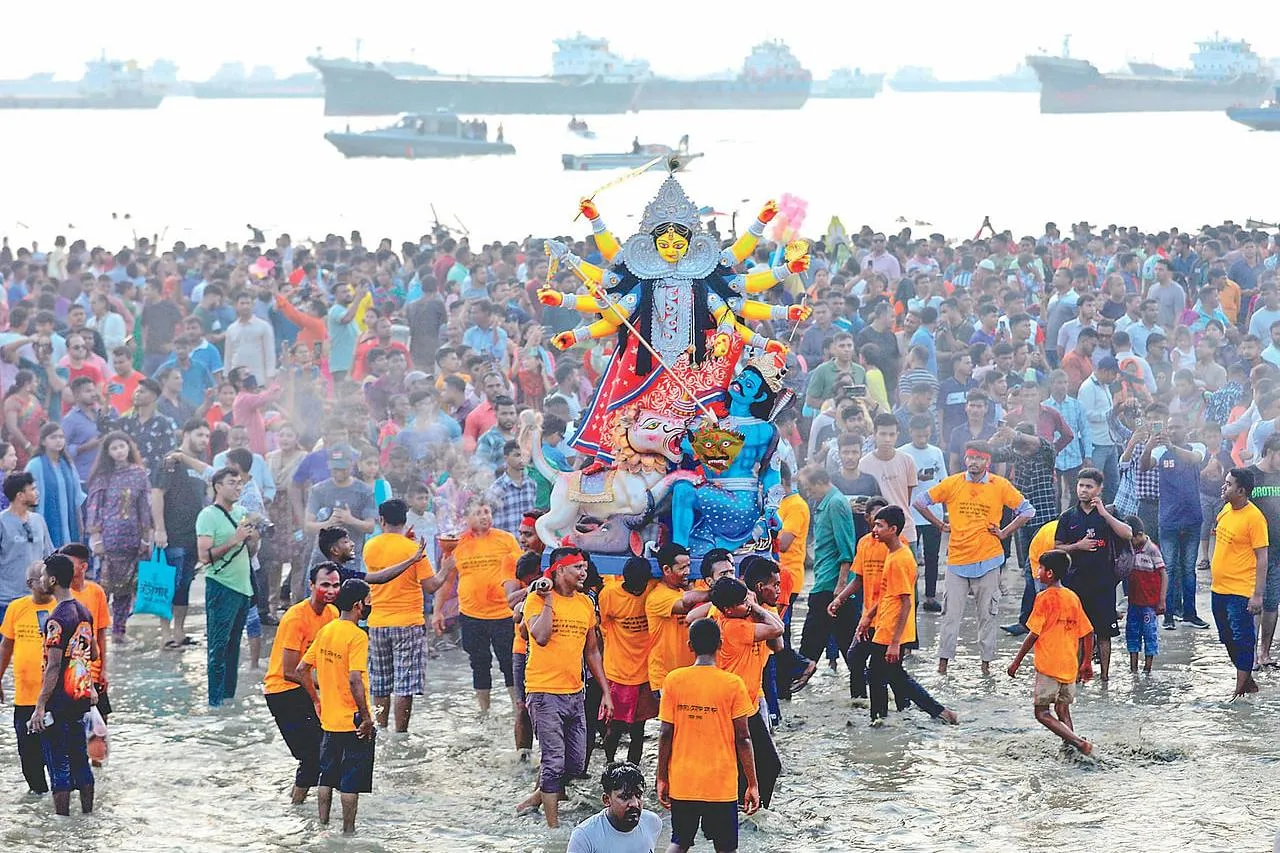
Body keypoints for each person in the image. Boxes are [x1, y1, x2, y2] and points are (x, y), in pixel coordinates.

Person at [913, 440, 1034, 674]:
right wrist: (939, 524)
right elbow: (920, 501)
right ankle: (942, 666)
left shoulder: (1000, 485)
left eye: (979, 458)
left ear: (988, 462)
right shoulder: (953, 483)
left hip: (989, 559)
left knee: (987, 615)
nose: (973, 462)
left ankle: (986, 667)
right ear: (965, 459)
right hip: (957, 560)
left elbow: (1027, 510)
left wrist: (1004, 532)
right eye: (970, 458)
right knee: (950, 615)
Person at [521, 546, 614, 828]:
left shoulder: (586, 603)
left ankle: (537, 797)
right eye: (578, 568)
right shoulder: (535, 600)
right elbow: (540, 636)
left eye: (585, 567)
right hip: (544, 692)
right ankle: (553, 830)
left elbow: (592, 652)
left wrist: (606, 692)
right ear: (560, 570)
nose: (584, 572)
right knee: (553, 763)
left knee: (575, 764)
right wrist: (548, 600)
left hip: (576, 692)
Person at [657, 618, 759, 853]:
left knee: (679, 842)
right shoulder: (733, 684)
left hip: (684, 779)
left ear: (689, 645)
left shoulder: (674, 680)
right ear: (721, 644)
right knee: (725, 848)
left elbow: (665, 733)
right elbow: (743, 737)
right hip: (720, 783)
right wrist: (752, 783)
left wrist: (662, 776)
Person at [855, 506, 958, 725]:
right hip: (884, 624)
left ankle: (933, 712)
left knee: (884, 674)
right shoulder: (893, 555)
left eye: (880, 526)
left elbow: (906, 602)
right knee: (886, 675)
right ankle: (882, 718)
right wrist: (867, 617)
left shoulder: (901, 559)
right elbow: (884, 594)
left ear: (893, 529)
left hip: (892, 629)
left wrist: (894, 643)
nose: (875, 529)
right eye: (874, 525)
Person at [363, 498, 451, 733]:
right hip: (407, 624)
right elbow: (432, 585)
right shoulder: (413, 550)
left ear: (381, 520)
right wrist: (447, 566)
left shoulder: (370, 546)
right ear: (405, 520)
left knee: (380, 683)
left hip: (377, 624)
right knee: (405, 685)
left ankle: (380, 730)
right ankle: (400, 734)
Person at [296, 578, 376, 835]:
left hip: (329, 719)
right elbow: (355, 679)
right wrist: (365, 718)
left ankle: (322, 826)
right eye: (368, 601)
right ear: (357, 606)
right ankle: (348, 833)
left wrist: (317, 699)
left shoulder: (327, 630)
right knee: (351, 781)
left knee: (326, 775)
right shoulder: (357, 636)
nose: (370, 605)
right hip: (352, 719)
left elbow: (301, 669)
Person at [702, 574, 784, 808]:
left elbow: (778, 646)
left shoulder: (737, 617)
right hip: (737, 708)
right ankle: (752, 809)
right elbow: (777, 629)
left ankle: (744, 807)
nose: (746, 604)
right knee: (768, 764)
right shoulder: (734, 627)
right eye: (741, 603)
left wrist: (751, 607)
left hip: (747, 703)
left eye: (746, 599)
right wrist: (756, 606)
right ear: (727, 609)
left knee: (747, 766)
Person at [264, 562, 340, 805]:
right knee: (312, 757)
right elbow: (289, 671)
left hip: (311, 688)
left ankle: (312, 810)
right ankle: (295, 807)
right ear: (311, 585)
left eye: (336, 585)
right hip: (283, 691)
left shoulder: (333, 614)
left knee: (326, 752)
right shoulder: (295, 618)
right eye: (325, 585)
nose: (331, 590)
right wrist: (324, 686)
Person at [1005, 549, 1095, 755]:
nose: (1038, 571)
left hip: (1049, 665)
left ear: (1050, 573)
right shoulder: (1072, 597)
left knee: (1042, 712)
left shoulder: (1043, 598)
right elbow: (1088, 632)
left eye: (1041, 568)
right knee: (1063, 709)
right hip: (1069, 665)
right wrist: (1086, 662)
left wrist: (1016, 662)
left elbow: (1032, 634)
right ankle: (1072, 752)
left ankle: (1079, 743)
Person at [28, 554, 97, 815]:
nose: (42, 579)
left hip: (59, 699)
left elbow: (54, 667)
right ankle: (88, 816)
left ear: (53, 580)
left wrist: (40, 705)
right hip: (79, 696)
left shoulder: (56, 619)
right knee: (81, 760)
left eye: (45, 575)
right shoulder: (83, 611)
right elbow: (94, 654)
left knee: (59, 764)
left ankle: (62, 827)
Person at [1054, 468, 1133, 682]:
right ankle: (1078, 676)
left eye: (1089, 486)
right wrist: (1077, 546)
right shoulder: (1068, 516)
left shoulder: (1109, 514)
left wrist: (1105, 514)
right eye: (1081, 486)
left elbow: (1128, 533)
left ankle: (1105, 678)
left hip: (1104, 582)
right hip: (1076, 581)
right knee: (1078, 631)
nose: (1084, 490)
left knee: (1105, 632)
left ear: (1099, 489)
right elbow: (1057, 548)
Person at [447, 497, 523, 714]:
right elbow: (450, 579)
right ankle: (484, 711)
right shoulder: (458, 542)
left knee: (509, 661)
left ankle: (517, 709)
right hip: (471, 614)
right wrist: (438, 612)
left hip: (503, 613)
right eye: (478, 512)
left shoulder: (506, 540)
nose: (484, 516)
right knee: (479, 663)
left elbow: (519, 574)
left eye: (487, 511)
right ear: (467, 517)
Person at [197, 467, 261, 706]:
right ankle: (215, 703)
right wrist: (234, 539)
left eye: (240, 483)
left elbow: (250, 551)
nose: (238, 487)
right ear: (218, 486)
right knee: (218, 648)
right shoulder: (208, 515)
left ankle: (228, 700)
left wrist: (253, 538)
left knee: (234, 648)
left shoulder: (243, 512)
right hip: (221, 585)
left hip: (243, 587)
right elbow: (204, 556)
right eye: (232, 483)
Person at [84, 431, 153, 640]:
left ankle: (119, 631)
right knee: (102, 588)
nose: (119, 451)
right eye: (114, 448)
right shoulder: (102, 477)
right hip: (107, 539)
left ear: (129, 447)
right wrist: (95, 538)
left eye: (122, 446)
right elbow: (94, 508)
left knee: (126, 589)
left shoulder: (139, 474)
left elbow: (144, 507)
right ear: (108, 452)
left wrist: (145, 537)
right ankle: (94, 631)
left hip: (131, 538)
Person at [796, 465, 857, 688]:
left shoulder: (836, 504)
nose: (808, 493)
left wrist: (841, 585)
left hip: (831, 585)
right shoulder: (823, 503)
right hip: (825, 579)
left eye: (809, 489)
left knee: (812, 635)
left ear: (822, 482)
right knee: (847, 641)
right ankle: (865, 687)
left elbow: (846, 548)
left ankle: (796, 677)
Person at [1210, 468, 1269, 699]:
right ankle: (1248, 680)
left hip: (1241, 589)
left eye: (1229, 484)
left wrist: (1258, 595)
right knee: (1226, 636)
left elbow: (1262, 557)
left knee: (1242, 638)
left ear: (1241, 490)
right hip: (1218, 587)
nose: (1224, 487)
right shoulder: (1225, 510)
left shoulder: (1254, 518)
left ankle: (1239, 692)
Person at [153, 419, 211, 649]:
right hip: (172, 533)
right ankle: (165, 633)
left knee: (185, 583)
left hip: (193, 534)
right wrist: (159, 528)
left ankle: (179, 631)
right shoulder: (171, 461)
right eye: (199, 434)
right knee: (169, 583)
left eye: (207, 436)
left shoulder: (199, 465)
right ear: (185, 434)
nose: (204, 440)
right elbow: (157, 493)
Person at [0, 561, 55, 794]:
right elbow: (6, 646)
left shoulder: (62, 607)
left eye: (49, 577)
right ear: (30, 583)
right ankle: (39, 797)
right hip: (24, 698)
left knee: (58, 754)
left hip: (55, 697)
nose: (47, 582)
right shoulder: (16, 608)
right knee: (29, 757)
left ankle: (61, 798)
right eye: (41, 578)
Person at [597, 556, 657, 767]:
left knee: (638, 730)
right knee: (614, 727)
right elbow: (601, 626)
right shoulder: (610, 594)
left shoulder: (653, 588)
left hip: (645, 672)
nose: (637, 591)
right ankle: (609, 764)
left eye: (640, 587)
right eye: (633, 587)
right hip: (618, 672)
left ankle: (633, 770)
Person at [645, 543, 706, 697]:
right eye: (682, 568)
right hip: (666, 678)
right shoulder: (657, 596)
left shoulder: (682, 591)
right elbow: (685, 605)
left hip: (690, 674)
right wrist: (717, 593)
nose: (688, 572)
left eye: (689, 566)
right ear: (666, 570)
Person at [566, 761, 663, 853]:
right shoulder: (584, 837)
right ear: (606, 800)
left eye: (638, 795)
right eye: (625, 797)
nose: (634, 803)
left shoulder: (652, 823)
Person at [0, 473, 54, 627]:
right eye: (32, 489)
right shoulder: (2, 522)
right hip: (6, 601)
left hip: (37, 598)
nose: (36, 493)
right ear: (20, 495)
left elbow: (49, 556)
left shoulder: (38, 520)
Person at [24, 422, 84, 550]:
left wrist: (80, 524)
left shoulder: (68, 465)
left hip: (69, 524)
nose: (58, 440)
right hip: (42, 523)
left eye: (61, 437)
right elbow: (28, 499)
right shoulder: (35, 465)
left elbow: (77, 498)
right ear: (43, 441)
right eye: (53, 437)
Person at [1248, 432, 1280, 668]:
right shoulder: (1250, 475)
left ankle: (1265, 652)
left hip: (1277, 550)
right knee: (1254, 602)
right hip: (1254, 551)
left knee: (1272, 602)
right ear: (1270, 451)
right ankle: (1250, 654)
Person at [1122, 517, 1167, 673]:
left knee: (1150, 635)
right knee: (1132, 634)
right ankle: (1133, 668)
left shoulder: (1152, 550)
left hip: (1149, 603)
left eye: (1132, 538)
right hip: (1134, 601)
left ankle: (1147, 668)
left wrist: (1162, 600)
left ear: (1139, 534)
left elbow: (1163, 574)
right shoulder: (1130, 548)